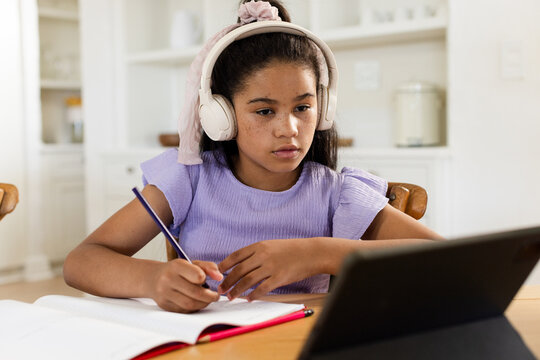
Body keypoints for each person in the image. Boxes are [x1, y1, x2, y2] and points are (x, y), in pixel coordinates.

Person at [64, 0, 443, 314]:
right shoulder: (188, 179)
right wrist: (151, 279)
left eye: (303, 107)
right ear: (221, 116)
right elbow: (81, 262)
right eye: (264, 111)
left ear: (323, 108)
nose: (289, 128)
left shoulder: (336, 193)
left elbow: (441, 260)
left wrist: (317, 252)